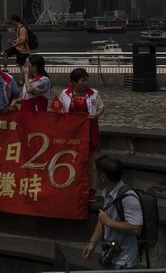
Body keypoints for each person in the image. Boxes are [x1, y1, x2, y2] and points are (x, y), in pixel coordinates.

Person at [82, 156, 143, 269]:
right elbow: (103, 219)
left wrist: (109, 222)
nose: (94, 175)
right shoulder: (107, 192)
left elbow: (136, 228)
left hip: (125, 261)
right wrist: (92, 243)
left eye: (96, 172)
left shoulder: (129, 198)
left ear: (103, 177)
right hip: (112, 255)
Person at [60, 68, 105, 203]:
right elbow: (58, 108)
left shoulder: (94, 94)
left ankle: (92, 190)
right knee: (72, 161)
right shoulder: (64, 94)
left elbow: (101, 107)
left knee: (91, 163)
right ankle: (73, 187)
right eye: (82, 81)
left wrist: (96, 115)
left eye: (86, 80)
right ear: (73, 82)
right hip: (71, 133)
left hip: (89, 132)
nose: (85, 83)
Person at [2, 15, 31, 79]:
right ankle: (5, 69)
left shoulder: (22, 29)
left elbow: (23, 40)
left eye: (12, 21)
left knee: (21, 66)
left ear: (15, 21)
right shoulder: (19, 28)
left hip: (23, 50)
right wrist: (13, 41)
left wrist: (14, 45)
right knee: (5, 53)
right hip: (18, 48)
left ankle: (21, 81)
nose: (11, 23)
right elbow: (20, 39)